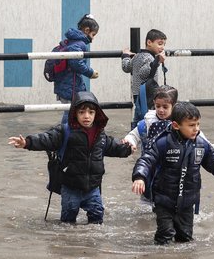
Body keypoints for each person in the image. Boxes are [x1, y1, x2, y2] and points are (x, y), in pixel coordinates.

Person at [131, 102, 214, 245]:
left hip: (188, 202)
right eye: (191, 125)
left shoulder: (202, 145)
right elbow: (146, 160)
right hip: (164, 200)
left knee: (185, 238)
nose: (196, 129)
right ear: (176, 125)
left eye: (198, 124)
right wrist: (139, 177)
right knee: (165, 235)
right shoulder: (163, 142)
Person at [8, 91, 132, 224]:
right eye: (82, 112)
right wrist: (27, 142)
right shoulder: (65, 132)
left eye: (91, 112)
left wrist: (128, 148)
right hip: (70, 187)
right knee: (68, 221)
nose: (86, 116)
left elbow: (113, 147)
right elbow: (46, 139)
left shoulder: (100, 135)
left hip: (92, 188)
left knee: (97, 217)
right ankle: (68, 242)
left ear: (96, 115)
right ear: (74, 113)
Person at [56, 14, 100, 124]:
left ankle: (67, 132)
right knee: (70, 111)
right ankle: (65, 133)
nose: (93, 38)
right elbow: (76, 62)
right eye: (93, 34)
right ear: (86, 30)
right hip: (70, 84)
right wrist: (90, 72)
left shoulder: (71, 41)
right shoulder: (78, 44)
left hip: (66, 83)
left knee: (71, 110)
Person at [122, 29, 167, 128]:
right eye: (160, 44)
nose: (162, 47)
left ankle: (135, 135)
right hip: (146, 93)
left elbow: (126, 67)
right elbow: (143, 73)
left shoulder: (137, 55)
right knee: (145, 118)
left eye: (164, 44)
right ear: (149, 42)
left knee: (139, 115)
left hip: (137, 92)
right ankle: (140, 135)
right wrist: (157, 62)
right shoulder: (150, 58)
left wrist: (125, 56)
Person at [122, 85, 178, 153]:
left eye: (165, 107)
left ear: (174, 105)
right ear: (154, 102)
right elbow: (134, 135)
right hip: (149, 160)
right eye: (158, 106)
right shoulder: (148, 121)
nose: (161, 110)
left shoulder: (179, 122)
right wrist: (129, 142)